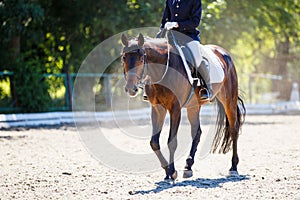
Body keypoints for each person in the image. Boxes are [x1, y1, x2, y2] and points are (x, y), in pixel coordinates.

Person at [157, 0, 212, 100]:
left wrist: (177, 24)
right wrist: (162, 30)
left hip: (189, 37)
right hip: (171, 37)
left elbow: (195, 22)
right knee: (156, 55)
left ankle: (206, 88)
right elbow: (165, 18)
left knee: (197, 58)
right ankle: (151, 88)